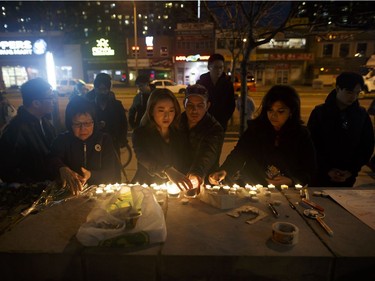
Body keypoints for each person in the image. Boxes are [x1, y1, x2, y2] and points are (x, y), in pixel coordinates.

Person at [209, 85, 317, 187]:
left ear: (291, 112)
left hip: (288, 193)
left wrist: (291, 180)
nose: (273, 115)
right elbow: (239, 154)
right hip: (252, 186)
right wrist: (225, 170)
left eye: (280, 111)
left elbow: (309, 170)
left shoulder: (301, 135)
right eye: (270, 110)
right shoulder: (255, 130)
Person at [307, 72, 374, 187]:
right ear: (338, 89)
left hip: (348, 176)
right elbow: (311, 144)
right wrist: (327, 169)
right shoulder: (320, 113)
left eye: (357, 93)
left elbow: (366, 146)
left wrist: (351, 170)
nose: (353, 97)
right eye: (349, 92)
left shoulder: (361, 115)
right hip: (320, 175)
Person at [49, 96, 121, 195]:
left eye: (87, 123)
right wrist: (62, 168)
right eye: (77, 124)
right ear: (70, 124)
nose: (83, 129)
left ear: (94, 122)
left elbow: (111, 173)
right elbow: (52, 159)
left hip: (100, 195)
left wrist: (90, 175)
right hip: (70, 196)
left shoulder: (104, 140)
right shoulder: (62, 140)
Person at [132, 88, 193, 190]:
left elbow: (186, 159)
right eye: (161, 110)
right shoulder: (140, 134)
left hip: (174, 188)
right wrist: (167, 170)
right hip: (147, 187)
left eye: (171, 110)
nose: (167, 116)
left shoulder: (180, 133)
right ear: (151, 111)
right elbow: (144, 158)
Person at [0, 78, 56, 183]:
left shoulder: (44, 121)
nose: (54, 101)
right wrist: (36, 185)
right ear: (36, 103)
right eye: (50, 97)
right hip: (34, 194)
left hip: (49, 188)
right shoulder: (16, 130)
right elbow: (7, 171)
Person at [180, 84, 224, 189]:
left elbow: (208, 153)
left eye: (200, 105)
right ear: (184, 104)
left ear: (207, 106)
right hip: (177, 180)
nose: (194, 110)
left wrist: (196, 174)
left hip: (204, 182)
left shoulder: (214, 128)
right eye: (190, 105)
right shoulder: (176, 122)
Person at [85, 73, 128, 157]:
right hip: (94, 145)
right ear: (95, 89)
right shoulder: (89, 106)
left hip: (113, 145)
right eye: (100, 89)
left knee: (115, 168)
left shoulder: (116, 105)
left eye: (105, 89)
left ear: (109, 89)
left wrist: (122, 139)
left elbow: (123, 124)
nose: (102, 92)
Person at [197, 53, 235, 131]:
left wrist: (224, 119)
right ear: (209, 67)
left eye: (221, 67)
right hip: (204, 122)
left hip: (220, 123)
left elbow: (231, 104)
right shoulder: (201, 83)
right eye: (215, 67)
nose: (219, 70)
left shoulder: (227, 84)